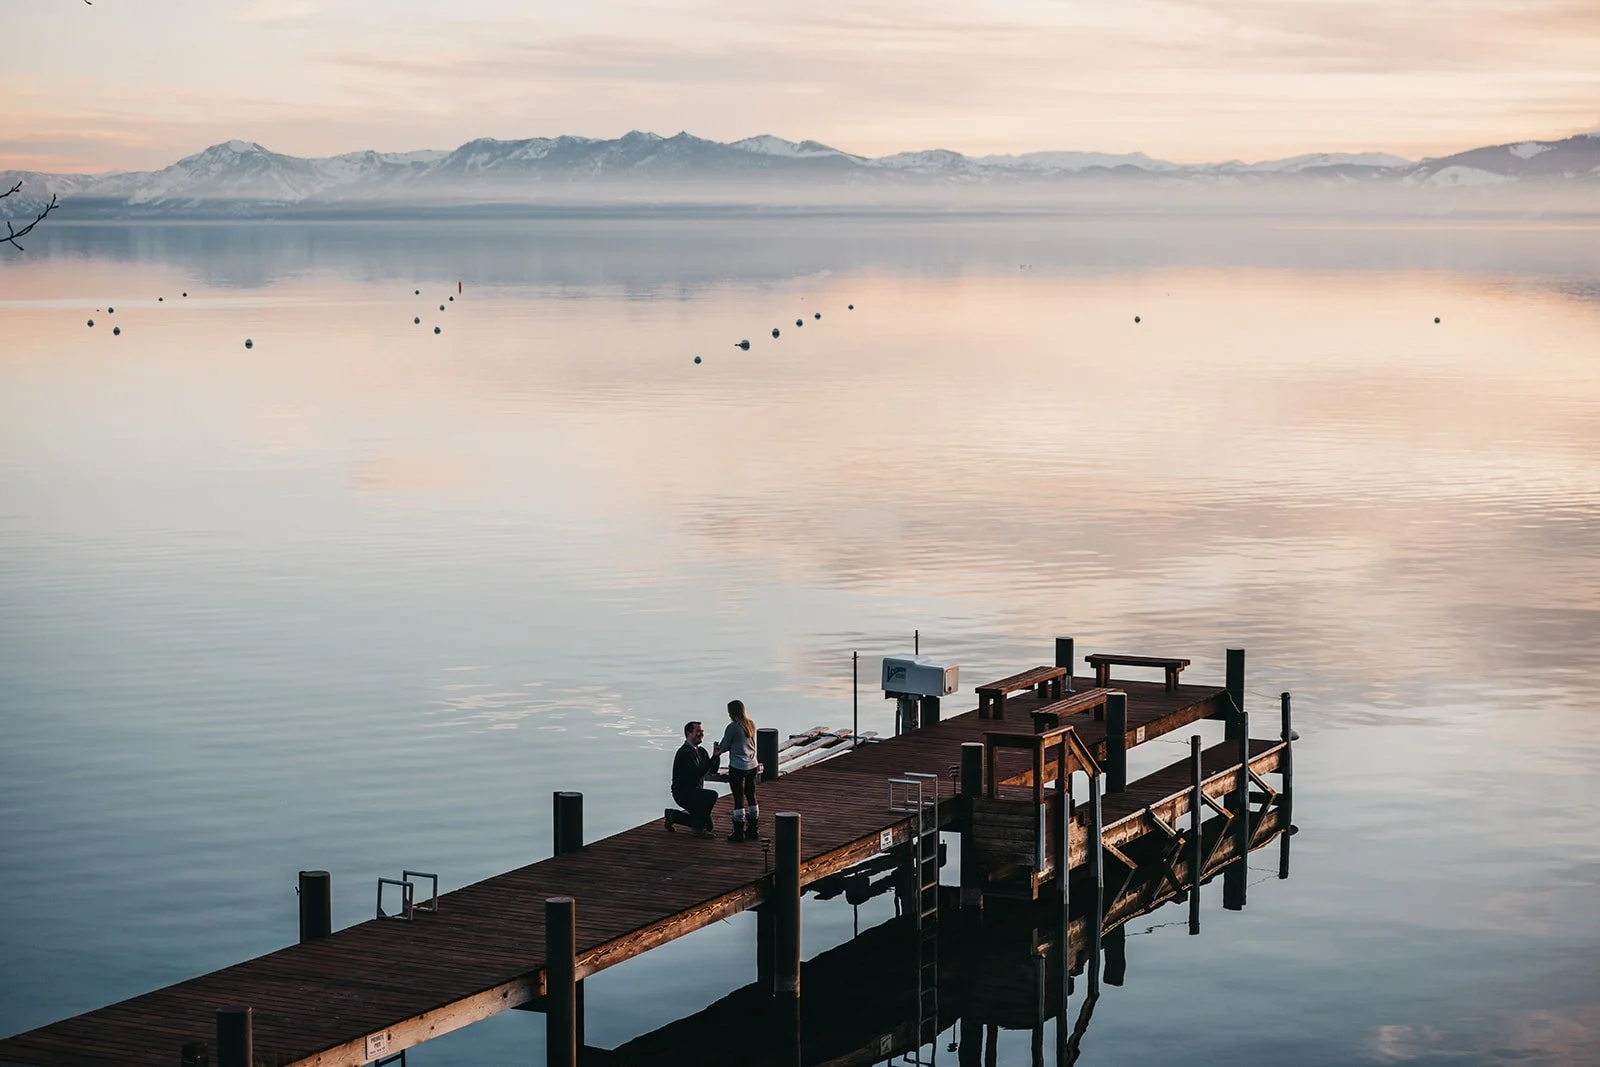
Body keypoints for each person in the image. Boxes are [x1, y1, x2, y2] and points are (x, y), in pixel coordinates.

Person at [716, 699, 759, 842]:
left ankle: (738, 831)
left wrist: (717, 750)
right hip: (753, 764)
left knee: (738, 797)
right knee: (751, 795)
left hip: (738, 766)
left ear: (731, 712)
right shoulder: (751, 724)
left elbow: (724, 747)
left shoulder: (732, 727)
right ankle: (753, 829)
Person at [667, 720, 721, 836]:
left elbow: (712, 771)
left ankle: (673, 816)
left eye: (702, 731)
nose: (701, 734)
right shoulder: (684, 752)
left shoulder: (701, 751)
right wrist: (713, 759)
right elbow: (697, 773)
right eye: (698, 731)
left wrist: (716, 756)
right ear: (689, 733)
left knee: (708, 826)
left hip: (696, 792)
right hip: (683, 793)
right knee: (712, 795)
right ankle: (697, 830)